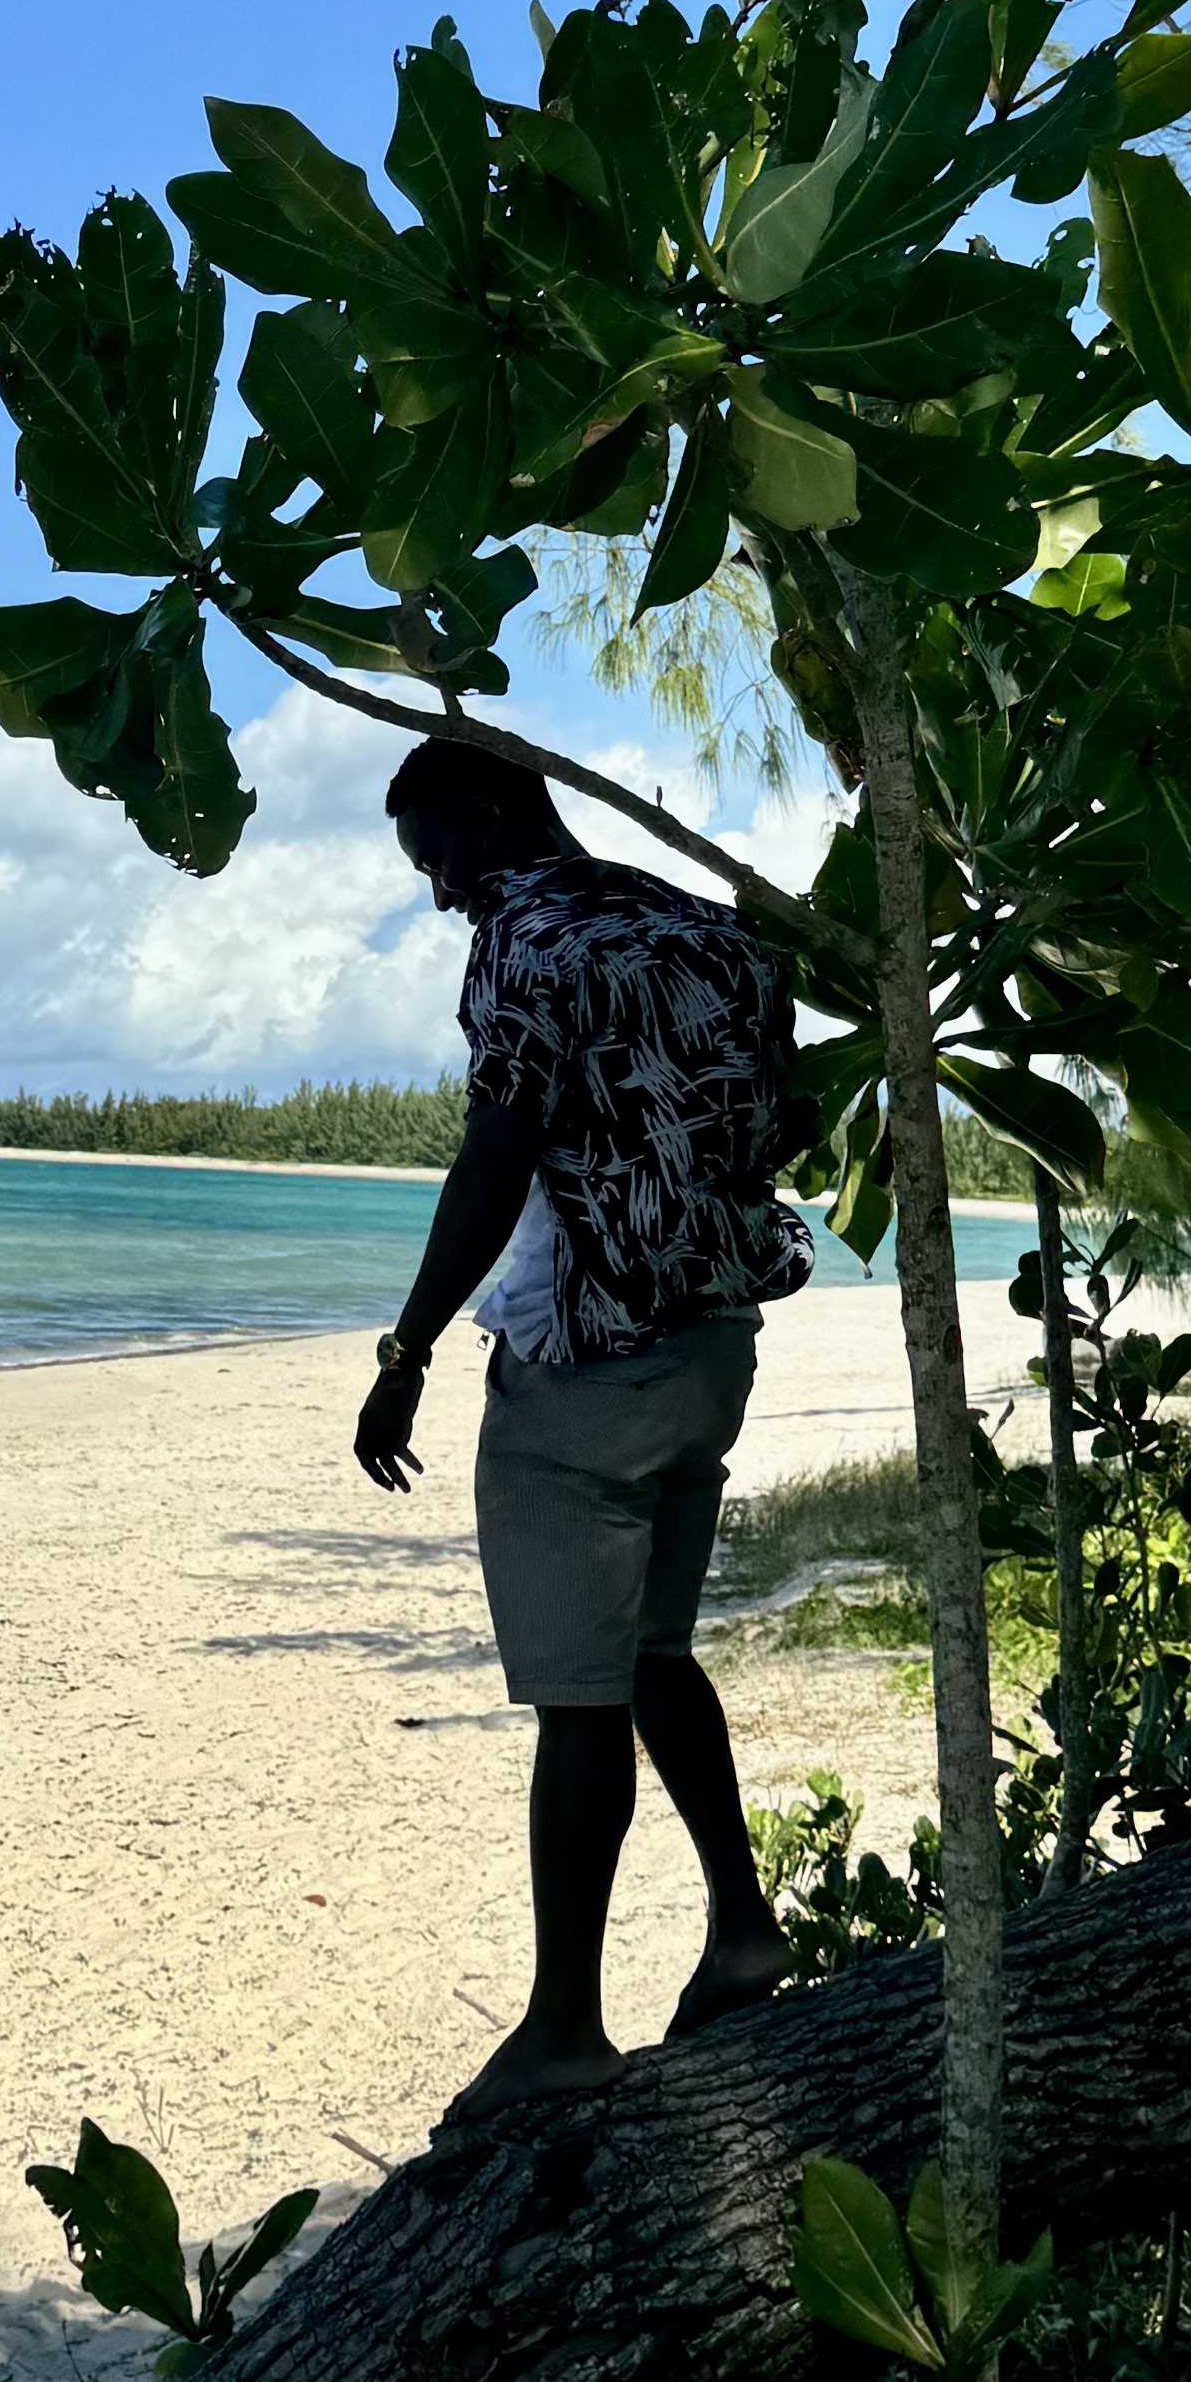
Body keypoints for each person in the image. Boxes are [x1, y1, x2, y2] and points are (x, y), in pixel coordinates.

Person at [353, 732, 810, 2127]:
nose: (444, 897)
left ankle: (563, 2025)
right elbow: (781, 1117)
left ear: (498, 808)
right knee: (655, 1650)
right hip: (713, 1345)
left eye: (441, 858)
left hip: (589, 1364)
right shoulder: (718, 930)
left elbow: (498, 1155)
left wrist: (407, 1346)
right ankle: (742, 1924)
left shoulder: (527, 940)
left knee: (581, 1697)